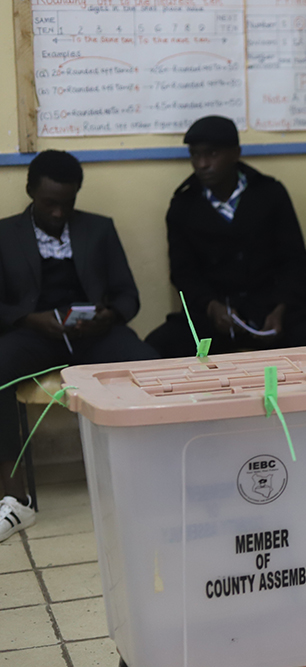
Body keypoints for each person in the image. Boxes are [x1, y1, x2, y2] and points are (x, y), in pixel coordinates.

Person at [0, 150, 158, 542]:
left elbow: (128, 295)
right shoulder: (4, 234)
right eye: (49, 203)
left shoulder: (98, 229)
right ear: (30, 191)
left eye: (67, 204)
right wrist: (27, 318)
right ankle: (14, 497)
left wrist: (110, 315)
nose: (58, 213)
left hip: (94, 334)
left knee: (152, 368)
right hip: (35, 334)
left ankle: (155, 479)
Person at [146, 116, 306, 357]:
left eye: (212, 154)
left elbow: (295, 261)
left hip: (272, 310)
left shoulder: (270, 193)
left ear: (235, 153)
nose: (202, 163)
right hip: (213, 315)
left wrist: (281, 307)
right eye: (195, 155)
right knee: (156, 348)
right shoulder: (183, 205)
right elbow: (183, 273)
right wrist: (211, 306)